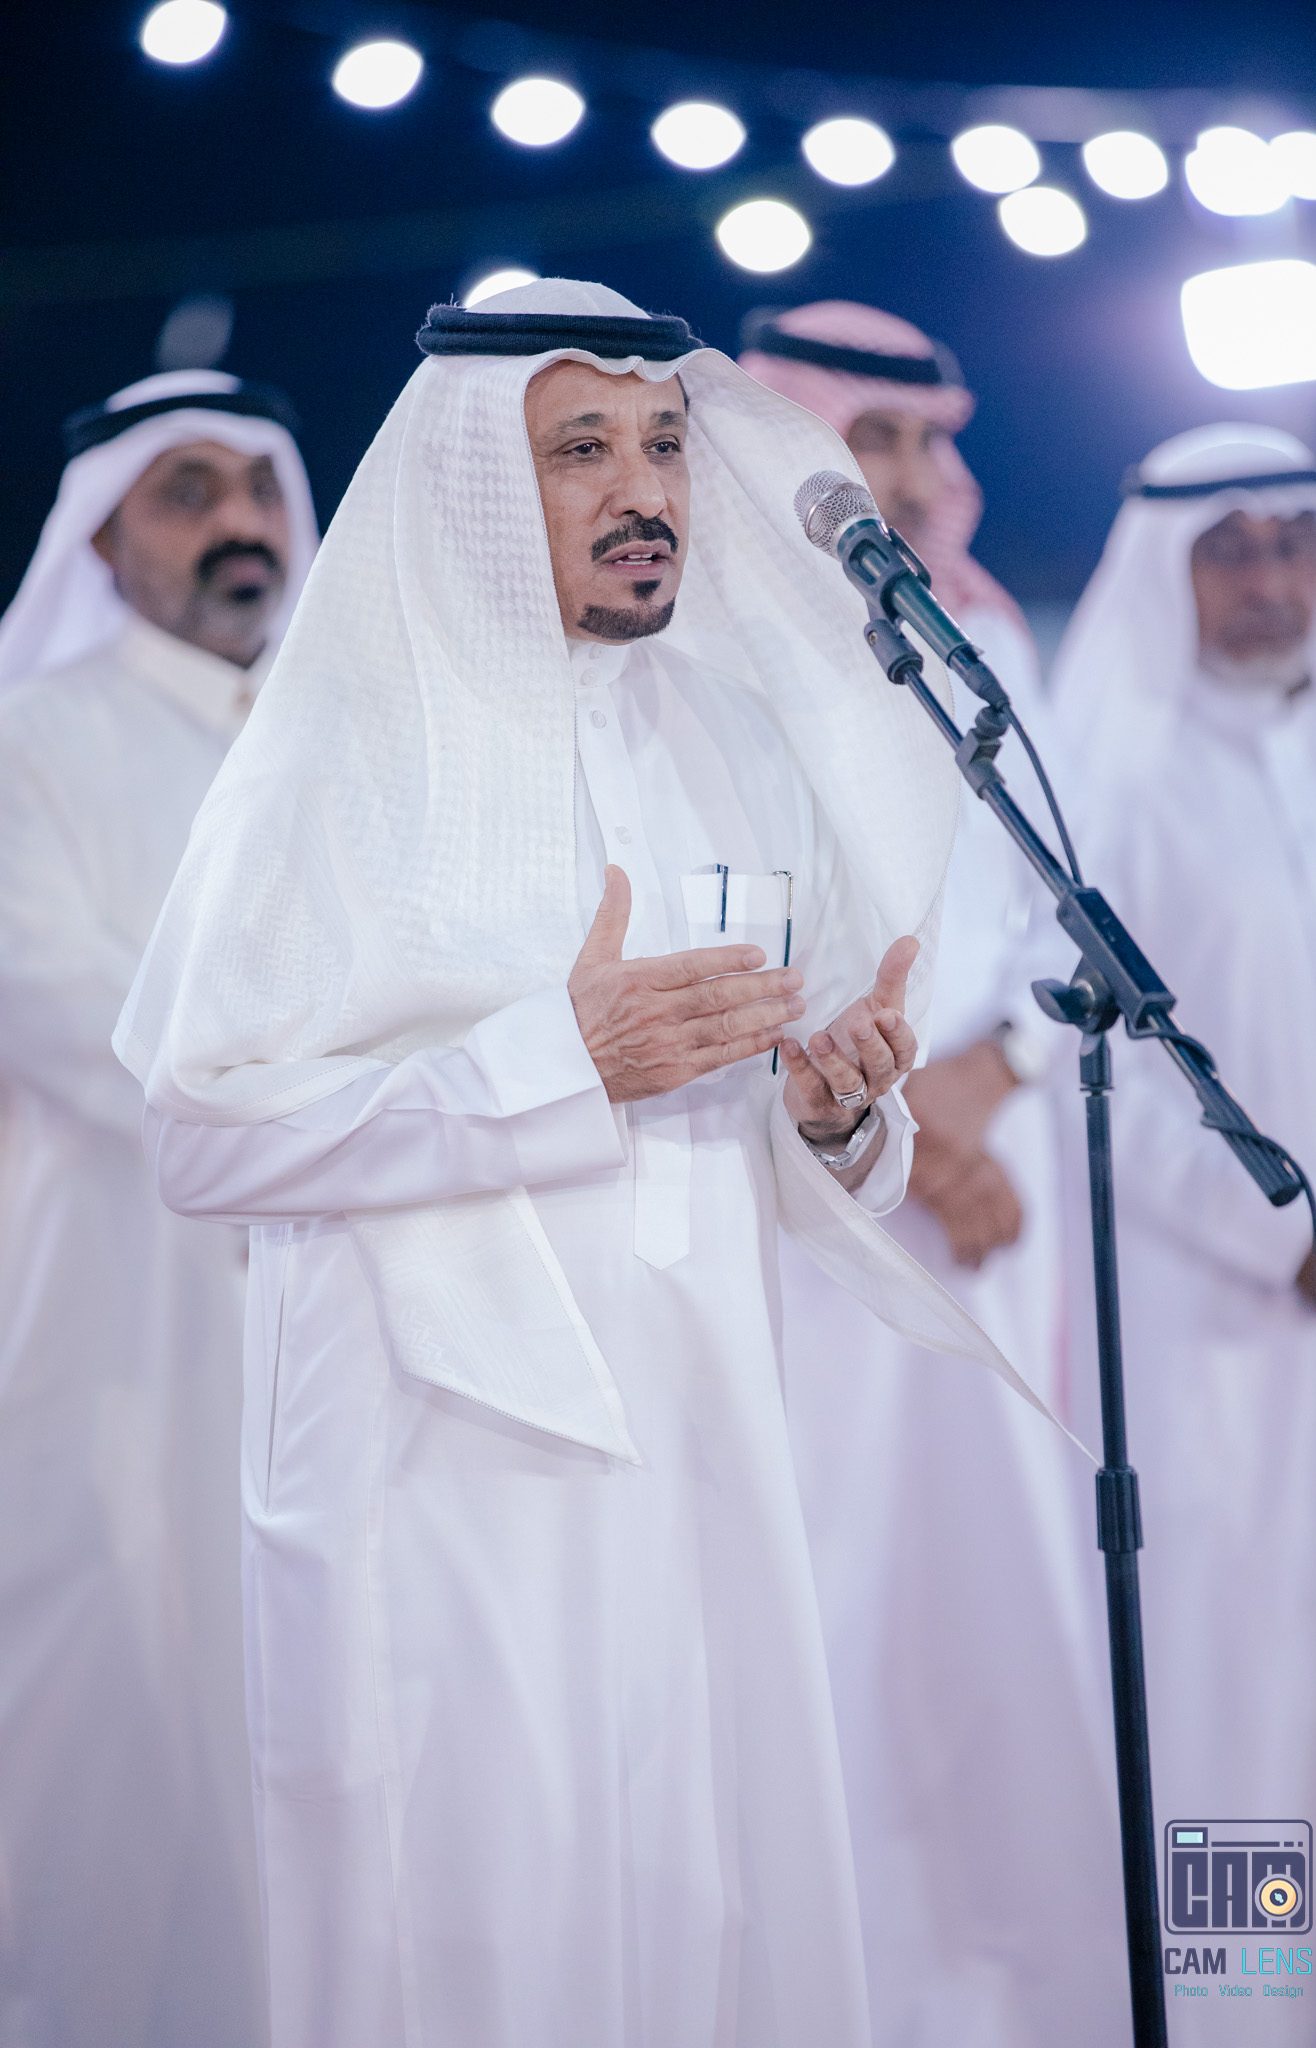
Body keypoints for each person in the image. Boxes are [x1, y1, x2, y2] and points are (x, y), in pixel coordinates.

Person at [111, 278, 1058, 2048]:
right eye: (581, 451)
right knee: (481, 1943)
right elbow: (199, 1134)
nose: (645, 491)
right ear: (479, 484)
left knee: (708, 1917)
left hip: (708, 1433)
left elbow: (763, 1119)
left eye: (666, 445)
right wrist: (558, 1064)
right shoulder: (342, 749)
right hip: (438, 1463)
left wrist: (835, 1116)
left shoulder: (724, 733)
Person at [740, 302, 1124, 2043]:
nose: (904, 480)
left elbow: (1068, 906)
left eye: (921, 443)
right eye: (866, 441)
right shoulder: (716, 635)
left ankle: (1005, 1998)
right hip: (800, 1201)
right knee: (819, 1603)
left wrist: (987, 1081)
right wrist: (898, 1119)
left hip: (987, 1188)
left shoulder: (981, 640)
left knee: (991, 1617)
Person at [0, 368, 317, 2048]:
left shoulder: (338, 742)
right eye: (188, 494)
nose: (240, 526)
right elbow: (52, 998)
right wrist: (322, 1127)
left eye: (257, 489)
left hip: (335, 1296)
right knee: (116, 1699)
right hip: (119, 1300)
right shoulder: (32, 734)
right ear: (100, 535)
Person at [1051, 423, 1316, 2044]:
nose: (1266, 581)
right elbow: (1083, 1071)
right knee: (1236, 1694)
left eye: (1290, 543)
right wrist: (1289, 1229)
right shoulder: (1111, 778)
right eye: (1225, 551)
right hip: (1219, 1328)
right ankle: (1244, 2014)